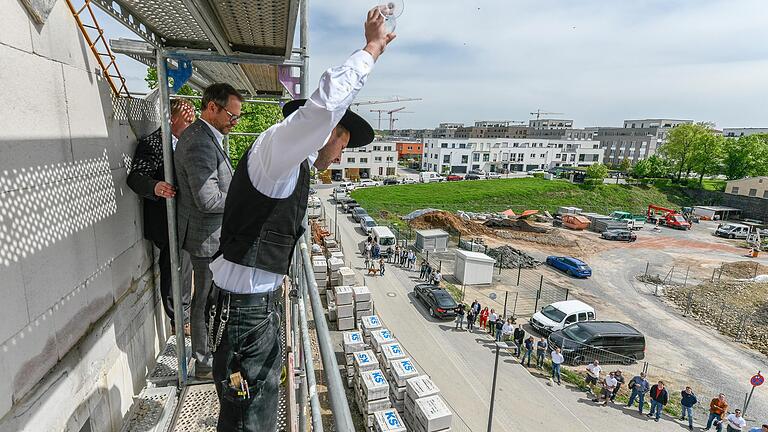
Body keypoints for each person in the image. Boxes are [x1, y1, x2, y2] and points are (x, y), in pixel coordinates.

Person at [207, 10, 395, 431]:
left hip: (251, 313)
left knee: (250, 412)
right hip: (246, 317)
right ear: (330, 132)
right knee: (249, 421)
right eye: (343, 143)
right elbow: (325, 106)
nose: (341, 156)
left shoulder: (292, 165)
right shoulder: (277, 152)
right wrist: (372, 50)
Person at [175, 83, 241, 378]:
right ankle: (203, 362)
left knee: (211, 300)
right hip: (206, 240)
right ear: (211, 107)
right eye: (231, 114)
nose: (234, 122)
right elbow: (208, 199)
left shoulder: (206, 136)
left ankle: (209, 355)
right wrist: (245, 199)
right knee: (205, 302)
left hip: (212, 237)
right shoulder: (200, 141)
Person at [126, 98, 195, 335]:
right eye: (187, 121)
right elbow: (135, 177)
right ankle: (179, 319)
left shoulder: (186, 144)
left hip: (184, 217)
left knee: (184, 266)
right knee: (175, 266)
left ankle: (185, 314)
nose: (191, 124)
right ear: (172, 119)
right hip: (166, 221)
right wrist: (155, 187)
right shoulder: (153, 144)